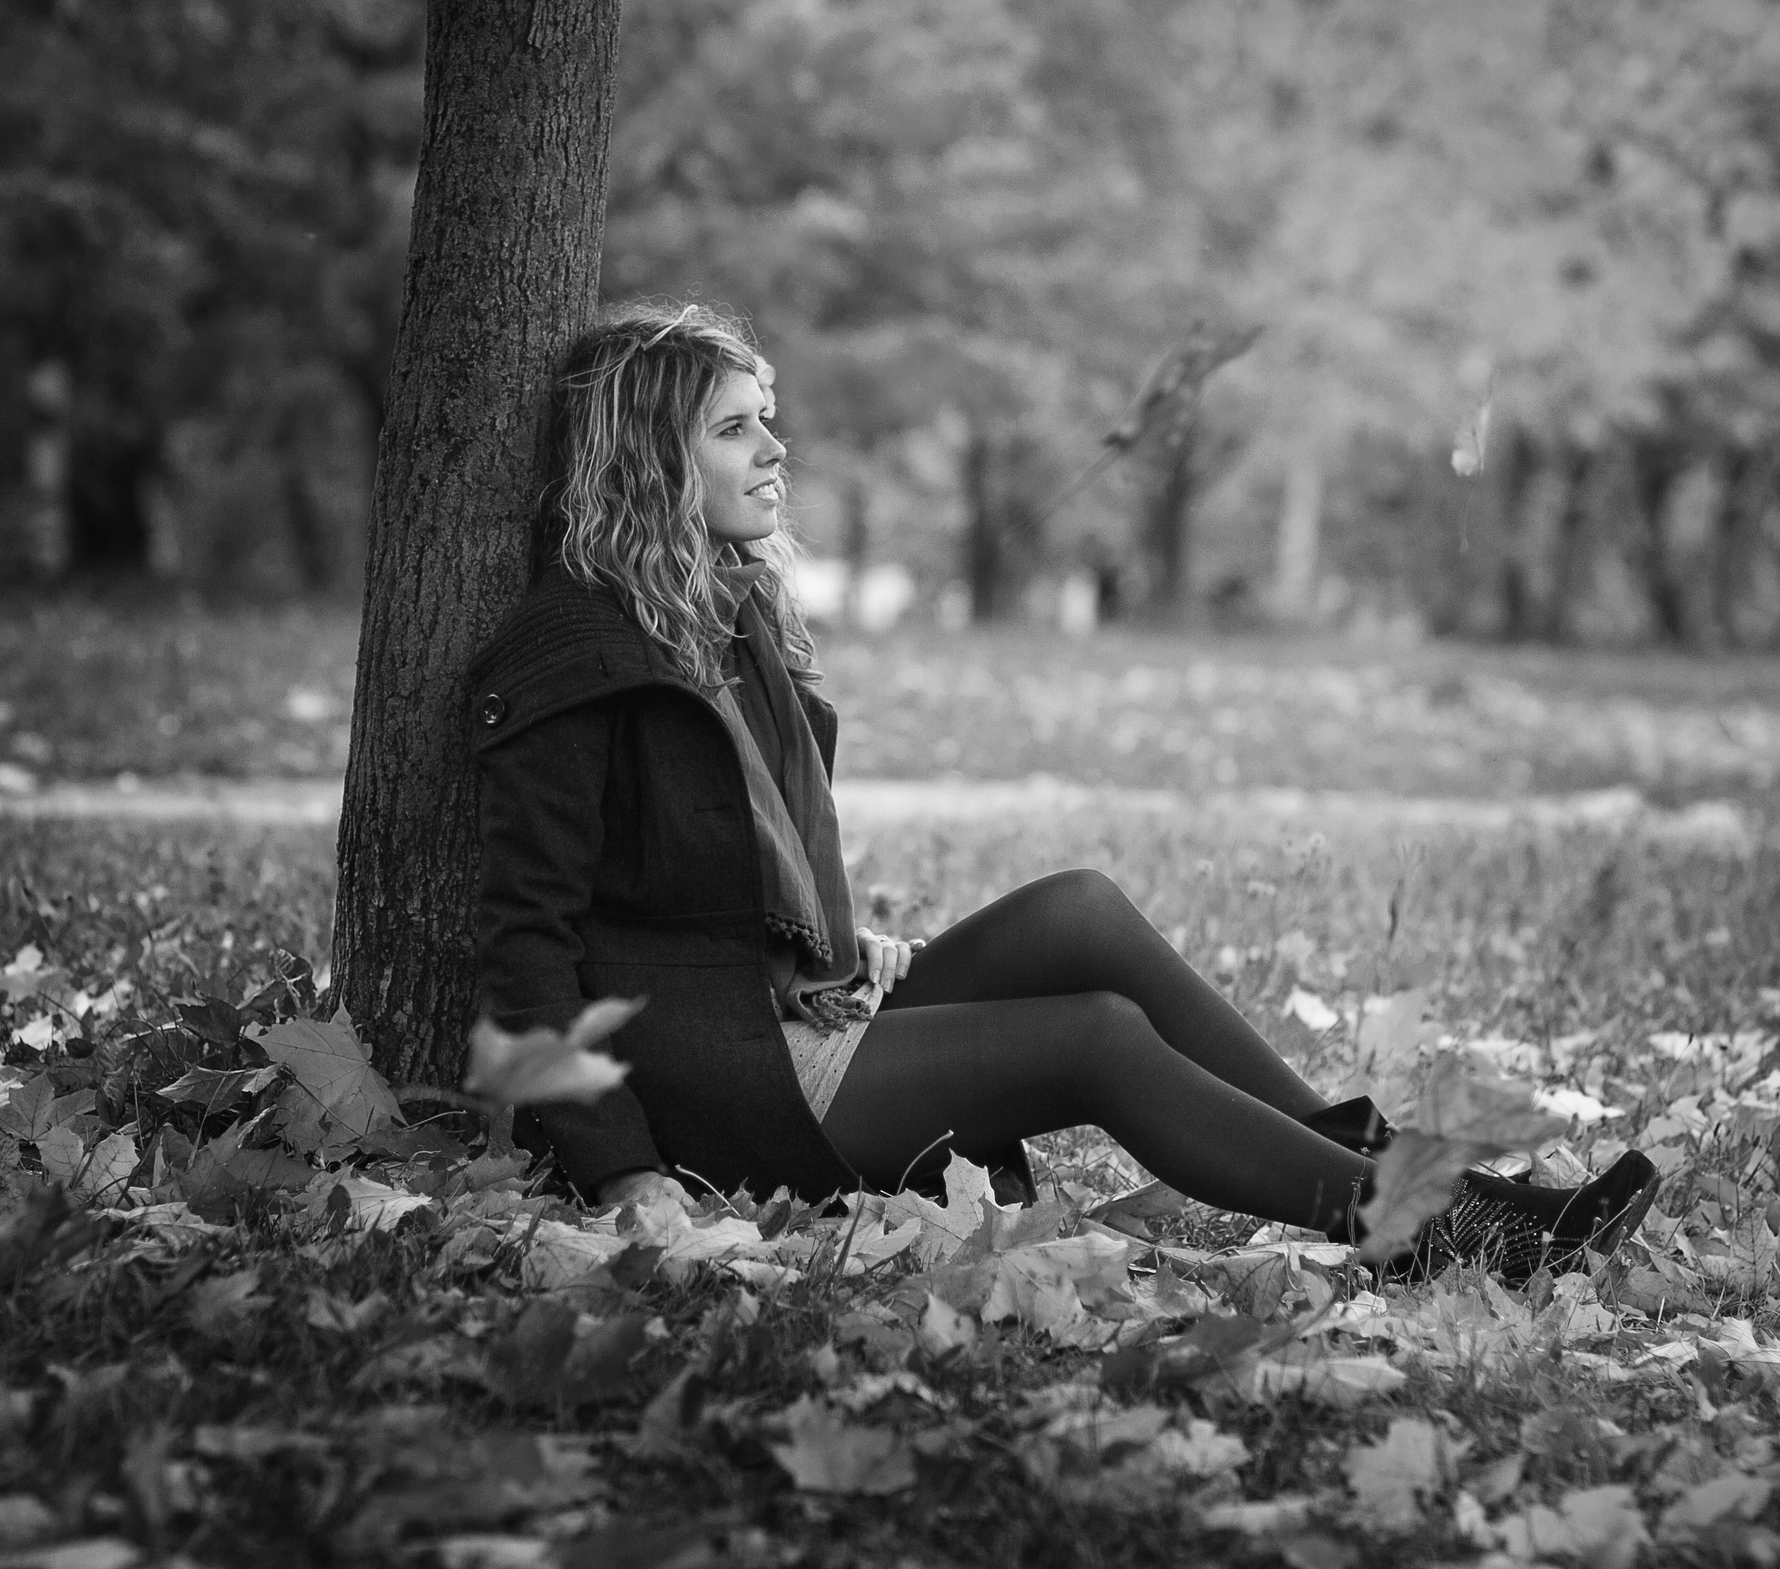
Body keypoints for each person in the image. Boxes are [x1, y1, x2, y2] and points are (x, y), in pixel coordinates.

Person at [466, 302, 1655, 1284]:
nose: (776, 449)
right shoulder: (576, 661)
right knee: (1092, 1038)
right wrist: (623, 1169)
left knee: (1078, 910)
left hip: (782, 1010)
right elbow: (527, 944)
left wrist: (822, 945)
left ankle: (1427, 1182)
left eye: (766, 419)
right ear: (650, 459)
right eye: (734, 429)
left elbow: (713, 865)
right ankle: (1434, 1232)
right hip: (724, 1083)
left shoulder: (720, 618)